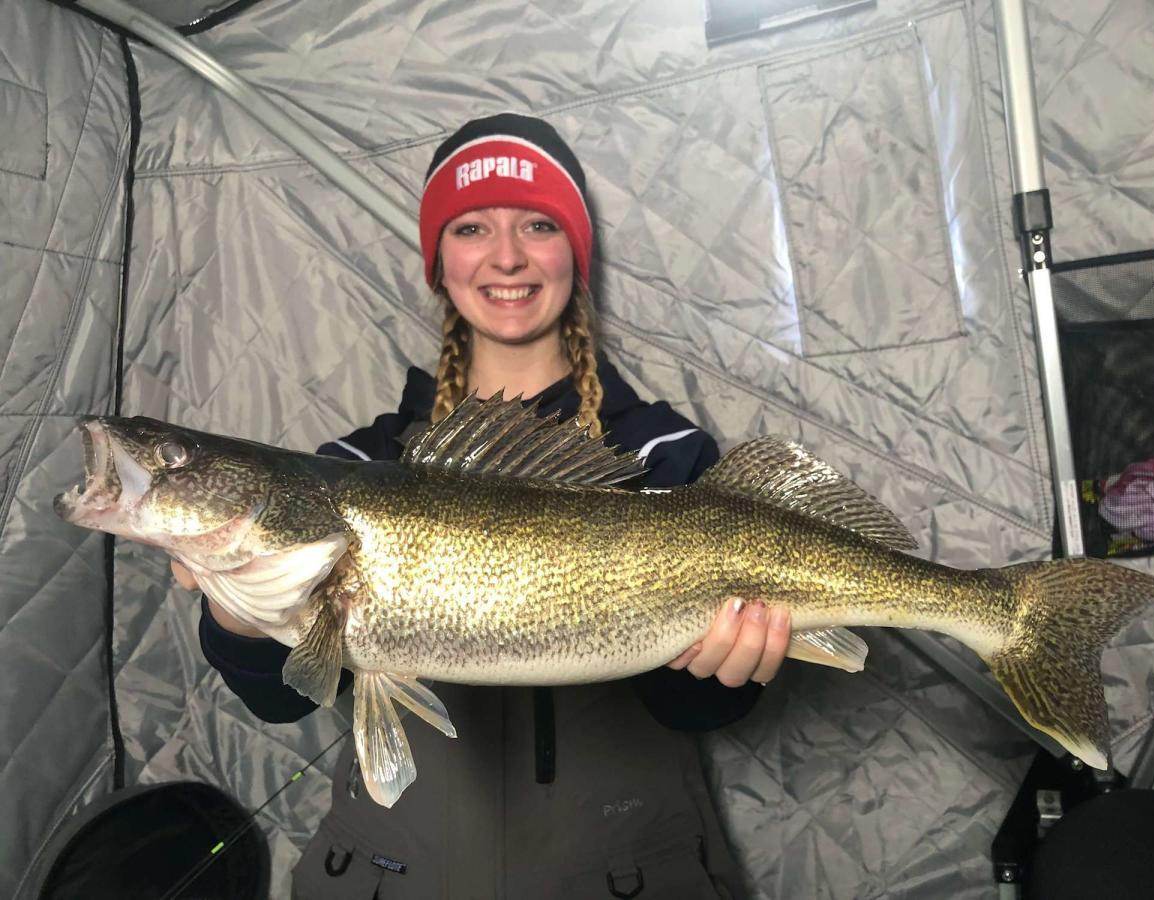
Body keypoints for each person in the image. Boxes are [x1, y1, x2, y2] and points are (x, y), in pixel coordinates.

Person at [177, 113, 792, 899]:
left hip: (624, 874)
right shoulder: (359, 468)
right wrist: (236, 611)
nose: (507, 256)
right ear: (440, 261)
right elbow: (278, 698)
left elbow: (691, 711)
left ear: (576, 251)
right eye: (471, 227)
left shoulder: (662, 457)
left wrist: (726, 669)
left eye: (538, 224)